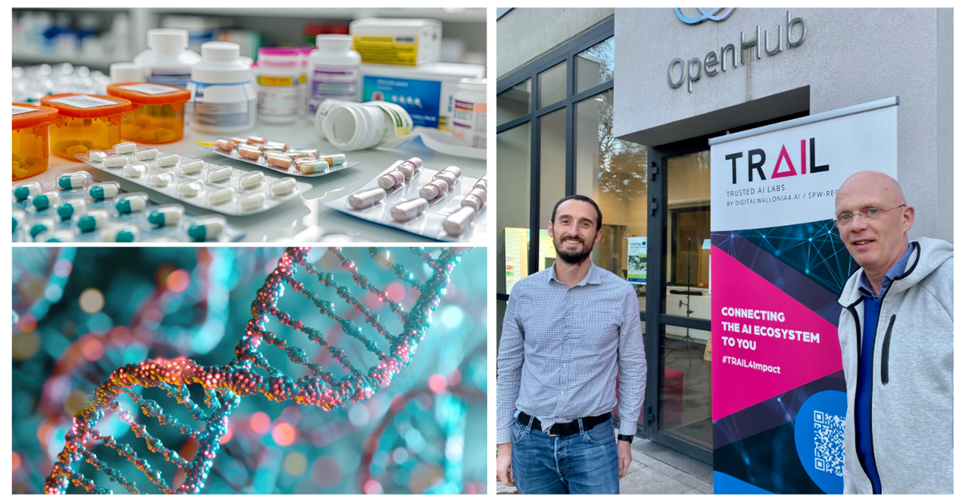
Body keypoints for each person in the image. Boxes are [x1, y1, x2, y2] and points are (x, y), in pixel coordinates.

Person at [496, 194, 647, 494]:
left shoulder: (621, 293)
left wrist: (626, 437)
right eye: (566, 221)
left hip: (594, 443)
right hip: (529, 441)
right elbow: (509, 370)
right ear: (551, 229)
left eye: (585, 224)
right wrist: (503, 445)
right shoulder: (523, 293)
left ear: (598, 235)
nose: (574, 231)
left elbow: (633, 367)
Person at [834, 171, 953, 494]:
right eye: (845, 216)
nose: (857, 225)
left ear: (906, 218)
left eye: (871, 210)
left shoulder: (949, 285)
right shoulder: (851, 302)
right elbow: (856, 408)